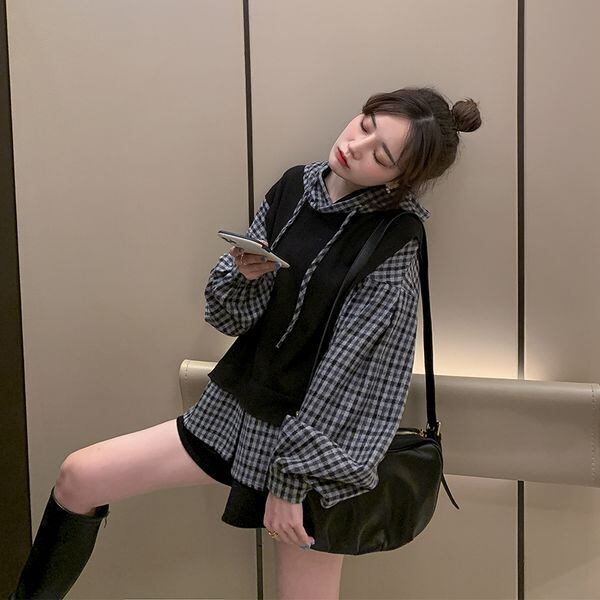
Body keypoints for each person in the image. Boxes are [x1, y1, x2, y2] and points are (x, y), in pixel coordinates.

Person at [9, 86, 481, 600]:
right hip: (233, 412)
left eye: (381, 155)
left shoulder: (395, 238)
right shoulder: (294, 187)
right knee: (79, 476)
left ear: (398, 180)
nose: (355, 145)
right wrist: (245, 274)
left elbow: (353, 376)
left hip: (311, 447)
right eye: (365, 125)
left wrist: (293, 482)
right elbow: (229, 316)